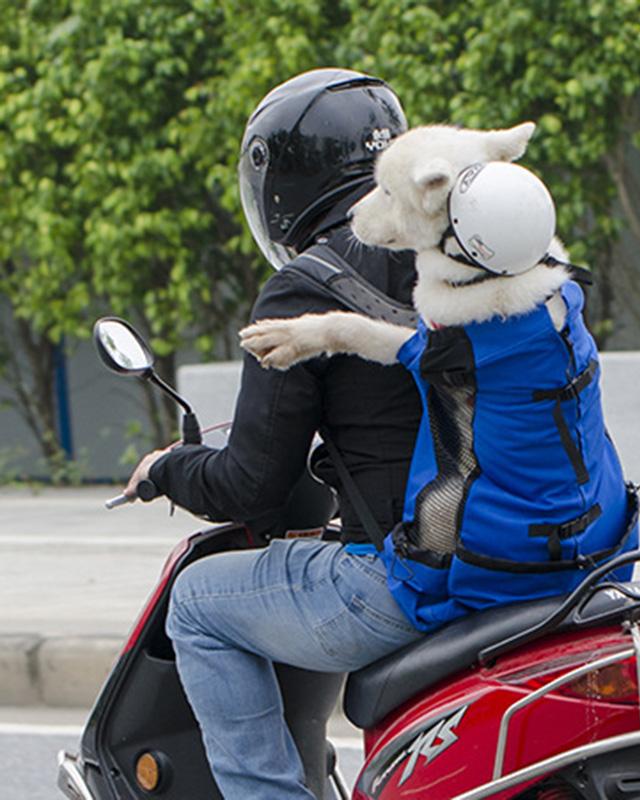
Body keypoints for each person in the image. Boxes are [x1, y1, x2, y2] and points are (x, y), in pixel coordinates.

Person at [124, 69, 424, 799]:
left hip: (410, 578)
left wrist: (170, 468)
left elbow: (252, 484)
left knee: (197, 600)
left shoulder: (307, 286)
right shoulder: (467, 253)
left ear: (282, 182)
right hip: (551, 562)